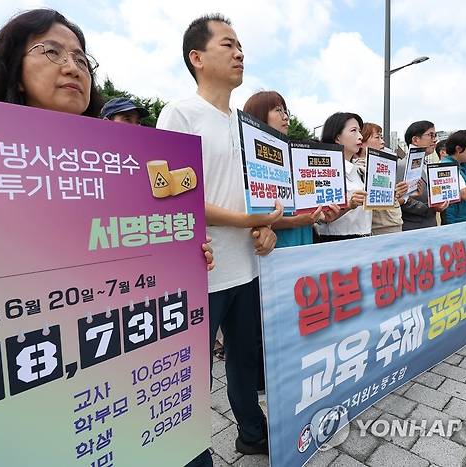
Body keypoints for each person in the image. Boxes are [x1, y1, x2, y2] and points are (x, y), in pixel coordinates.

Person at [0, 8, 217, 391]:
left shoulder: (124, 169)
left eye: (81, 58)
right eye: (51, 51)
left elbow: (133, 249)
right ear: (14, 68)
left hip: (138, 380)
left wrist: (185, 255)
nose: (71, 67)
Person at [157, 14, 280, 458]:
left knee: (245, 362)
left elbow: (254, 192)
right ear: (197, 57)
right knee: (190, 371)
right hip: (198, 272)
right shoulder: (179, 113)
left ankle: (252, 434)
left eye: (241, 45)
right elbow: (171, 196)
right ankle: (189, 450)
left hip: (245, 268)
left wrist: (263, 226)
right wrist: (247, 222)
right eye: (228, 44)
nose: (239, 52)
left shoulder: (247, 125)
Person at [242, 90, 342, 247]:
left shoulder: (294, 158)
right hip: (274, 251)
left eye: (285, 110)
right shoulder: (249, 158)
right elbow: (252, 219)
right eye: (278, 110)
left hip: (304, 247)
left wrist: (322, 215)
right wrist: (297, 221)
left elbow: (307, 209)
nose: (285, 116)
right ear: (259, 115)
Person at [314, 112, 371, 241]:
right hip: (337, 241)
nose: (360, 136)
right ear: (337, 137)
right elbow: (321, 217)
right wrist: (349, 205)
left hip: (364, 238)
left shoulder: (358, 171)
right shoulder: (324, 171)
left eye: (360, 131)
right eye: (353, 131)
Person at [358, 122, 409, 235]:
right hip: (379, 229)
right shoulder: (357, 169)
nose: (382, 142)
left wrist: (397, 193)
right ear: (361, 142)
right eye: (377, 137)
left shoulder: (383, 166)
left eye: (381, 137)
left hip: (394, 224)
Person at [399, 120, 448, 230]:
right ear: (415, 139)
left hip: (429, 226)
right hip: (411, 229)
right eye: (430, 135)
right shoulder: (403, 166)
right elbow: (398, 199)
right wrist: (430, 207)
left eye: (435, 135)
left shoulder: (427, 165)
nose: (434, 140)